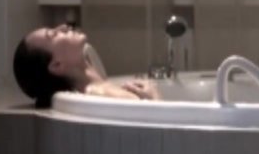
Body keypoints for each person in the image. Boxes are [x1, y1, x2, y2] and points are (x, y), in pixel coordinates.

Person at [13, 24, 160, 108]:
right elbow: (162, 128)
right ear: (57, 65)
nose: (63, 27)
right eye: (53, 34)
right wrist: (154, 97)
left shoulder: (100, 88)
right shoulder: (99, 93)